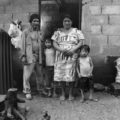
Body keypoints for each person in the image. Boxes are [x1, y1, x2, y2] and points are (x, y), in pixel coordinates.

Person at [51, 14, 85, 100]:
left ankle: (70, 94)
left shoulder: (77, 31)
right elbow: (54, 43)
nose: (67, 22)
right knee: (62, 75)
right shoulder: (58, 32)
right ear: (62, 22)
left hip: (72, 55)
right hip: (60, 56)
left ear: (71, 22)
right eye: (65, 21)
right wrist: (61, 50)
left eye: (68, 21)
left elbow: (81, 42)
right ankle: (62, 93)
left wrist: (73, 50)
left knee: (71, 74)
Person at [21, 13, 43, 100]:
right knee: (27, 75)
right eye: (34, 21)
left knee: (39, 74)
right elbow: (22, 45)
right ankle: (27, 91)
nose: (36, 22)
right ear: (31, 22)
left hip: (38, 56)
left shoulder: (39, 32)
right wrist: (23, 55)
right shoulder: (25, 32)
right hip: (30, 56)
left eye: (37, 21)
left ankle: (40, 90)